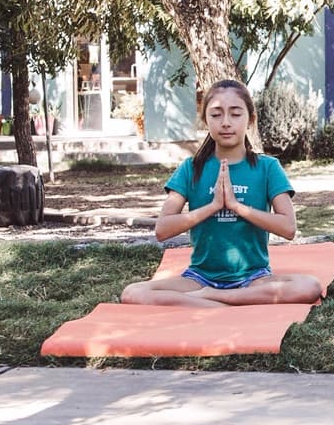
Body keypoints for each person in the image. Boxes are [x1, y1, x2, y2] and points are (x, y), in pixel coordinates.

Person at [121, 79, 322, 307]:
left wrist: (237, 207)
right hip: (199, 279)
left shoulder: (268, 167)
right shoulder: (191, 168)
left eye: (235, 114)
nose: (226, 123)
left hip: (253, 278)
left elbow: (288, 228)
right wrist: (213, 206)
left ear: (251, 119)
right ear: (206, 119)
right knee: (132, 293)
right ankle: (226, 303)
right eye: (216, 115)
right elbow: (162, 230)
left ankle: (213, 300)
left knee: (309, 286)